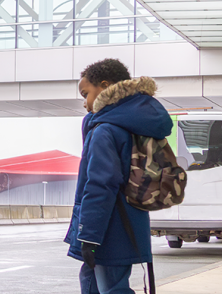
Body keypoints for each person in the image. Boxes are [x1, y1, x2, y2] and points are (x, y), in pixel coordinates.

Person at [65, 58, 172, 294]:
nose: (84, 103)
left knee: (111, 288)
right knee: (96, 281)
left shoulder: (106, 129)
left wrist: (89, 236)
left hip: (108, 227)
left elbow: (100, 185)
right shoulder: (133, 123)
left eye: (86, 94)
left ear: (104, 86)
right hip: (130, 220)